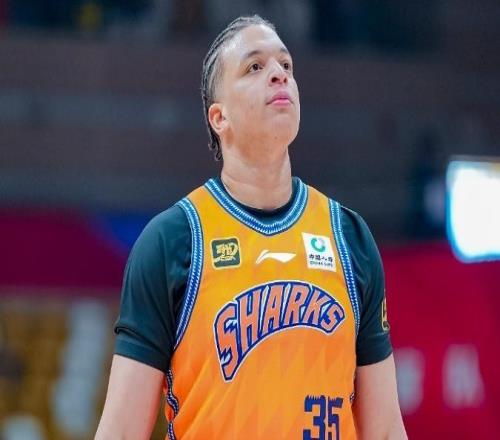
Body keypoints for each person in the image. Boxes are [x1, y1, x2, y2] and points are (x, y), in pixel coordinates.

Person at [95, 15, 407, 440]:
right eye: (254, 67)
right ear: (219, 117)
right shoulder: (173, 241)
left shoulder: (348, 237)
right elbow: (121, 431)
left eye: (286, 65)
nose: (279, 74)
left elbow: (385, 430)